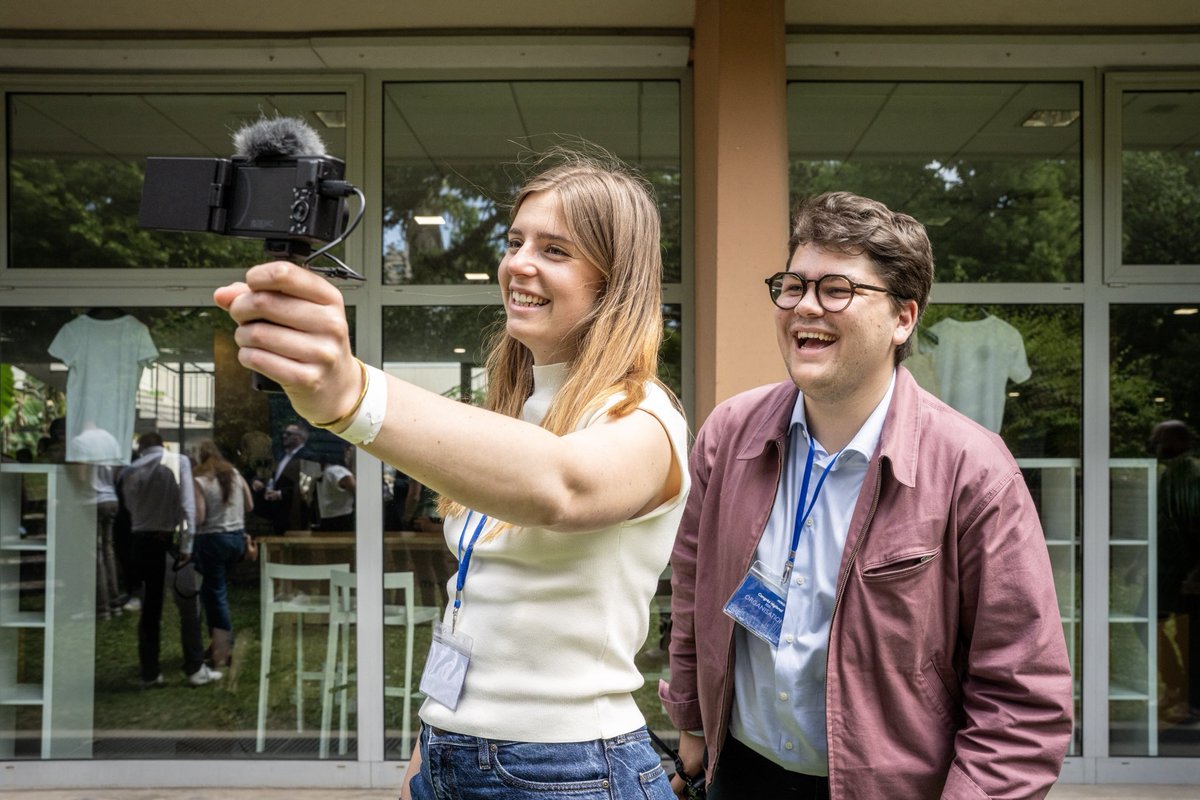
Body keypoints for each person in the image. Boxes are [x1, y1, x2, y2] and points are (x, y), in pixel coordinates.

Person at [215, 149, 688, 800]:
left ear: (614, 283)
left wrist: (350, 393)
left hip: (571, 768)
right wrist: (427, 749)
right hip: (452, 752)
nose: (519, 263)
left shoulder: (645, 416)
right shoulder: (516, 410)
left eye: (555, 250)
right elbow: (474, 606)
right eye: (516, 242)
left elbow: (562, 487)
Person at [659, 192, 1073, 799]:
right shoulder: (730, 433)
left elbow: (1021, 697)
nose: (805, 306)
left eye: (837, 290)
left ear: (903, 319)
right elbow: (694, 585)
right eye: (793, 286)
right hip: (739, 773)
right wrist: (692, 722)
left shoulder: (974, 471)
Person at [117, 431, 222, 688]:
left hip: (140, 541)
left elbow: (128, 507)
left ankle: (150, 672)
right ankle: (194, 667)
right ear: (161, 445)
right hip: (169, 541)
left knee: (150, 610)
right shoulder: (178, 462)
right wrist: (187, 543)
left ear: (140, 448)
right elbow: (187, 505)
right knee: (188, 605)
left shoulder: (129, 471)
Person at [192, 439, 254, 668]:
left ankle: (223, 647)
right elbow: (249, 505)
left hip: (212, 540)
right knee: (212, 592)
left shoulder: (200, 480)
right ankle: (216, 641)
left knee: (215, 594)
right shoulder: (235, 474)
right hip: (235, 539)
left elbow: (199, 516)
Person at [251, 421, 316, 534]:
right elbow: (270, 475)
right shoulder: (282, 456)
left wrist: (280, 494)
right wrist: (257, 481)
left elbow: (307, 486)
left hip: (295, 513)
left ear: (299, 437)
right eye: (284, 433)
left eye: (288, 434)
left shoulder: (308, 456)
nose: (284, 436)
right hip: (278, 511)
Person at [315, 443, 356, 531]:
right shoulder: (338, 471)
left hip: (329, 518)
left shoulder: (328, 470)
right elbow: (358, 489)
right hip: (342, 519)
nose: (350, 454)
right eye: (348, 450)